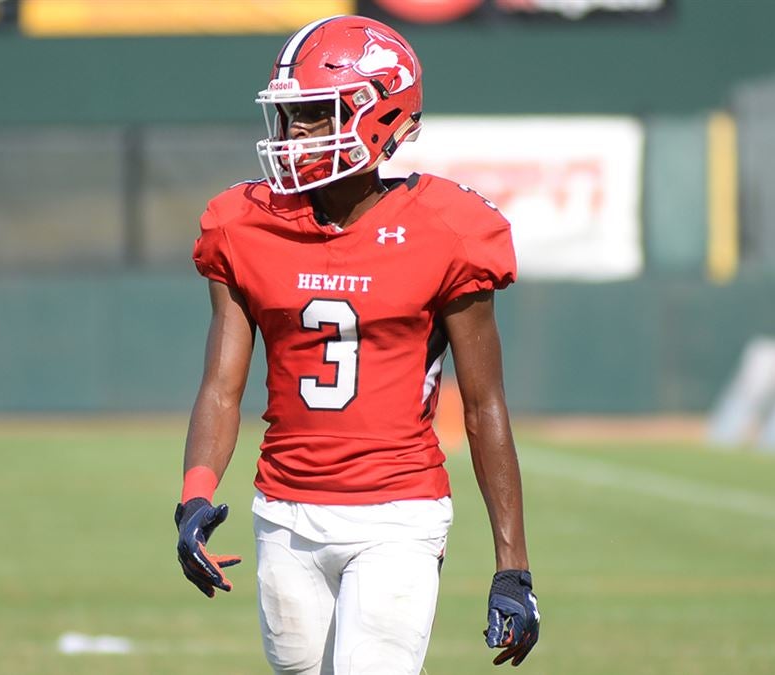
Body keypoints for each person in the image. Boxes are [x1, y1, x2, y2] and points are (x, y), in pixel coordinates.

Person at [173, 14, 539, 674]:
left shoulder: (449, 230)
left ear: (380, 114)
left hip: (397, 515)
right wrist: (195, 494)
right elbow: (220, 386)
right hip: (283, 513)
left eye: (316, 112)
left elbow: (485, 407)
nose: (294, 133)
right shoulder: (244, 223)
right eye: (289, 115)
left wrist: (511, 566)